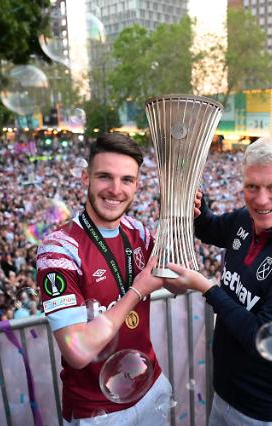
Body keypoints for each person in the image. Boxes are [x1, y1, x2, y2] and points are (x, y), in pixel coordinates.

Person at [166, 137, 272, 425]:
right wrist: (198, 209)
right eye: (252, 186)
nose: (261, 199)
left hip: (268, 408)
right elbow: (211, 229)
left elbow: (264, 339)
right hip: (227, 392)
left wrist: (206, 287)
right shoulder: (245, 220)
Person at [36, 133, 171, 425]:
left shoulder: (138, 231)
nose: (115, 189)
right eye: (104, 177)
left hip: (151, 387)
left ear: (137, 185)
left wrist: (181, 220)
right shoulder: (58, 249)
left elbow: (174, 282)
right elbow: (78, 353)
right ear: (86, 178)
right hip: (98, 411)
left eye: (126, 180)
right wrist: (136, 292)